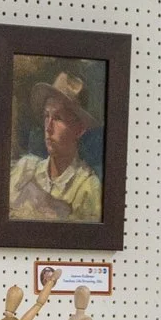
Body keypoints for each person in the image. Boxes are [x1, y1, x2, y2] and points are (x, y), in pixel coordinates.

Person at [9, 70, 104, 224]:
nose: (48, 127)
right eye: (47, 116)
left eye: (58, 118)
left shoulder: (87, 187)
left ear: (79, 129)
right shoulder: (25, 169)